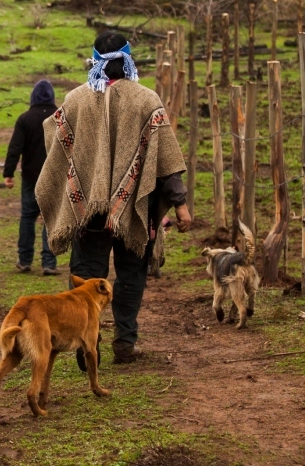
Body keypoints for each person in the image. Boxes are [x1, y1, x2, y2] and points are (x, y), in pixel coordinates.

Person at [36, 31, 193, 365]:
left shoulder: (75, 100)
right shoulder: (147, 100)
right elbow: (167, 162)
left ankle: (83, 344)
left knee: (85, 277)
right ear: (128, 59)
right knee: (131, 274)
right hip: (135, 210)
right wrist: (180, 206)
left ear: (95, 61)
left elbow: (55, 141)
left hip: (87, 212)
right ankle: (124, 341)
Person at [4, 80, 59, 276]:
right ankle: (49, 263)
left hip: (31, 177)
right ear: (52, 96)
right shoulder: (60, 118)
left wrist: (8, 173)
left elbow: (15, 148)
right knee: (51, 219)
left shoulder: (25, 119)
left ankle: (25, 259)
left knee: (28, 216)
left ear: (33, 97)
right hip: (54, 177)